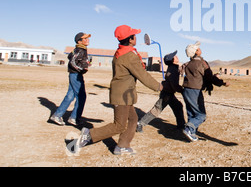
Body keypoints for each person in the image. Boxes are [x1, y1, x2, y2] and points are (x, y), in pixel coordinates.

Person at [77, 25, 162, 155]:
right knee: (119, 125)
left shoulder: (121, 51)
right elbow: (143, 75)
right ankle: (89, 135)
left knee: (133, 119)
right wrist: (159, 87)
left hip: (124, 94)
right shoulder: (129, 56)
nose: (136, 37)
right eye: (134, 35)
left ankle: (122, 145)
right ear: (130, 39)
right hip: (122, 95)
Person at [181, 41, 229, 142]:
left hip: (186, 89)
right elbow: (209, 77)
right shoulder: (201, 63)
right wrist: (222, 83)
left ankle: (191, 134)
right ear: (195, 52)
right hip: (195, 91)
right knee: (201, 115)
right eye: (197, 49)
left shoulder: (189, 63)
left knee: (191, 113)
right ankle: (189, 129)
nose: (200, 49)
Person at [136, 51, 185, 132]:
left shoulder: (174, 68)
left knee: (178, 107)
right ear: (172, 60)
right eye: (175, 56)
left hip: (169, 93)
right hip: (167, 94)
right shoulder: (172, 69)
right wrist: (182, 90)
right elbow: (173, 84)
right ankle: (140, 123)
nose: (177, 57)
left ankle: (181, 126)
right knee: (157, 109)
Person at [50, 32, 90, 126]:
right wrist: (81, 69)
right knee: (81, 97)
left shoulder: (81, 50)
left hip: (74, 75)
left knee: (70, 96)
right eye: (85, 38)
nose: (87, 40)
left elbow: (74, 60)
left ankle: (57, 115)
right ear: (79, 41)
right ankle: (74, 118)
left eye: (87, 38)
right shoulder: (80, 50)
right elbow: (72, 62)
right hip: (76, 75)